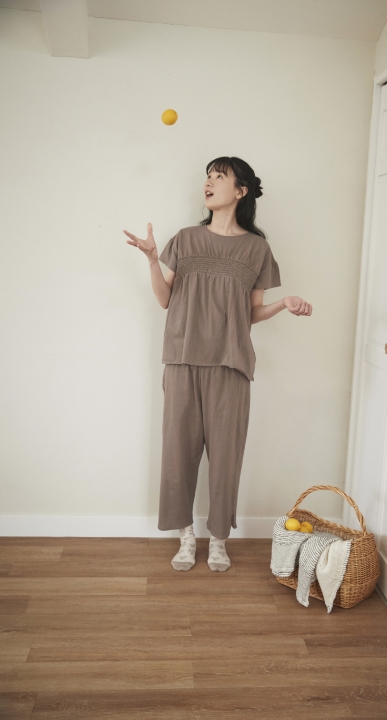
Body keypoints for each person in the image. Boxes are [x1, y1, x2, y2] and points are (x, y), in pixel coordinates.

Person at [123, 156, 312, 573]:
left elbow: (251, 313)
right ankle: (186, 536)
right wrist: (152, 260)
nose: (208, 183)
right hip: (182, 358)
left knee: (226, 456)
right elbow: (165, 299)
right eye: (207, 177)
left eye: (218, 177)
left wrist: (283, 303)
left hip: (231, 362)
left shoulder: (257, 249)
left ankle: (219, 539)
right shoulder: (185, 239)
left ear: (241, 191)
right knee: (178, 453)